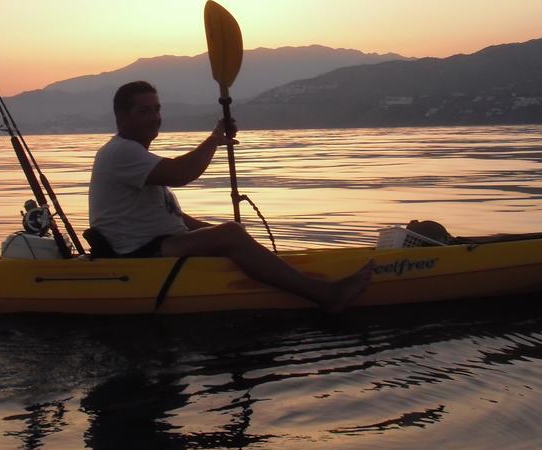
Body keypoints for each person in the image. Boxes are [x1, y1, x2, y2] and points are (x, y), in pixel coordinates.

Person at [88, 81, 373, 312]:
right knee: (232, 234)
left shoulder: (136, 155)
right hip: (138, 255)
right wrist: (213, 141)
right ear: (122, 117)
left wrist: (220, 234)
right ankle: (327, 294)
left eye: (157, 109)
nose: (155, 118)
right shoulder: (121, 152)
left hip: (156, 244)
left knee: (231, 233)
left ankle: (270, 269)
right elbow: (181, 174)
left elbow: (173, 218)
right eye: (144, 111)